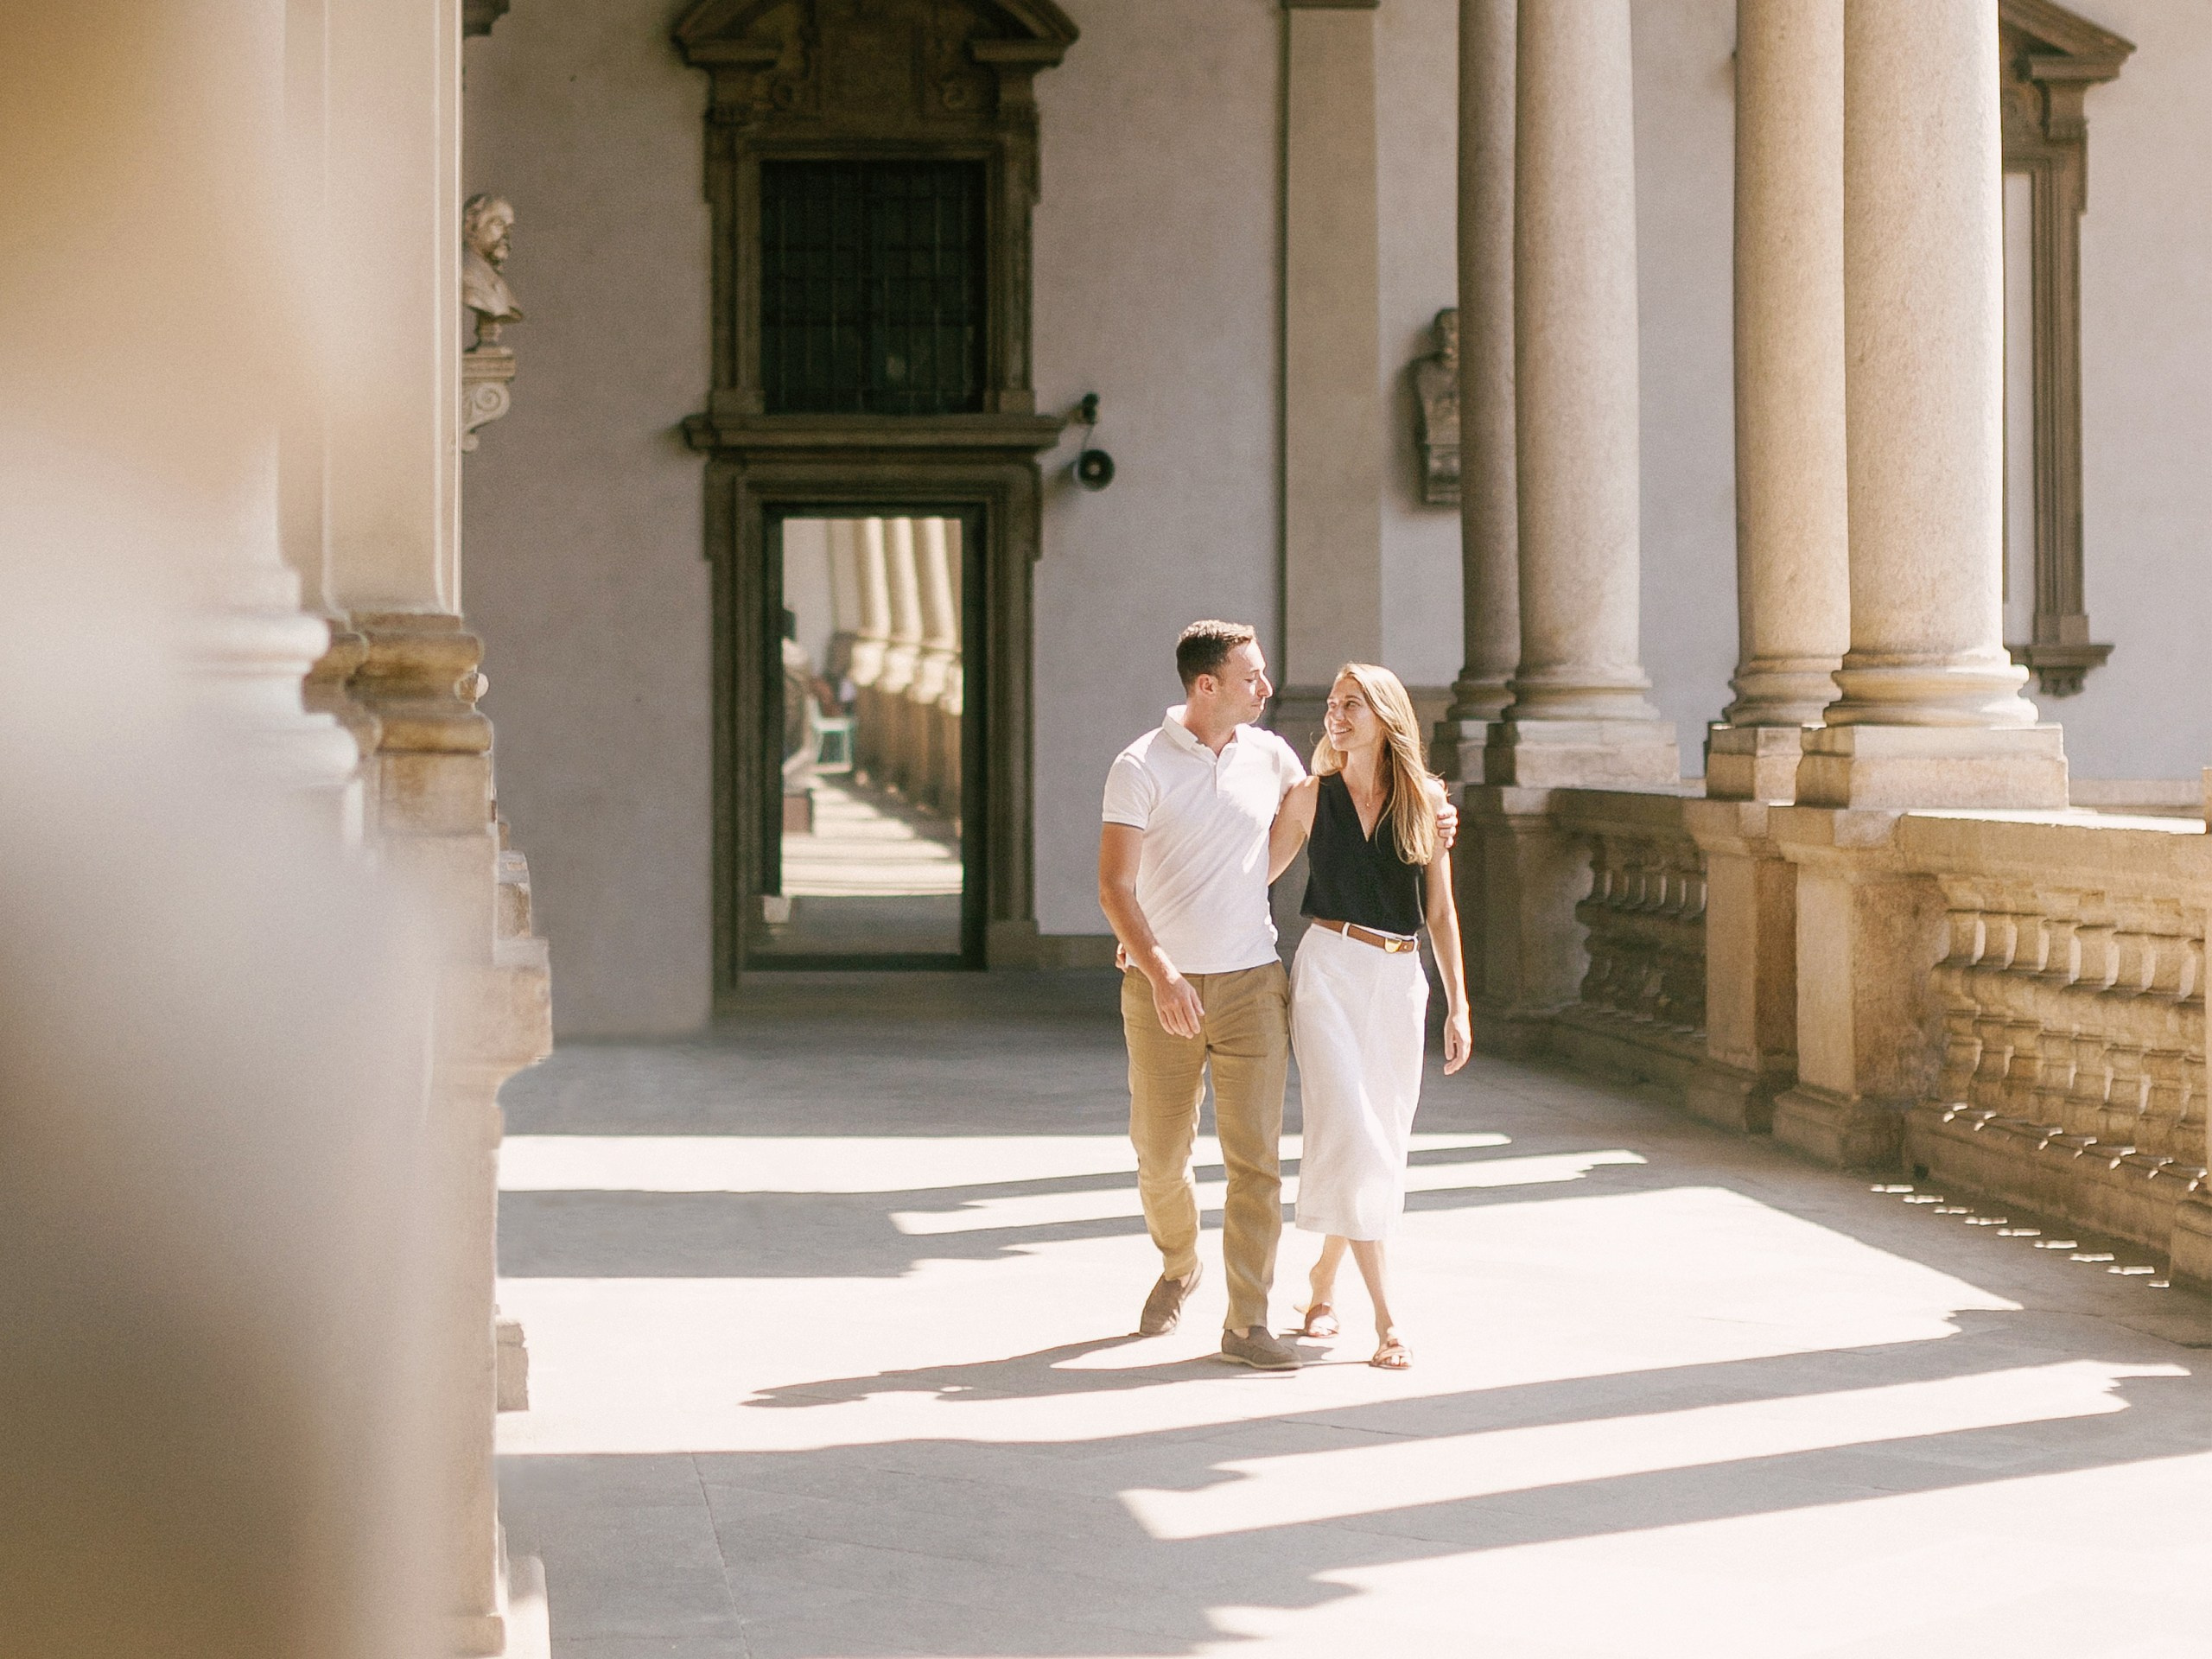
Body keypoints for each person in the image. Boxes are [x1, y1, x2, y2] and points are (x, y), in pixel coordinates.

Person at [1098, 624, 1457, 1370]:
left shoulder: (1272, 758)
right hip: (1170, 985)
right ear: (1208, 685)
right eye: (1252, 676)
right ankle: (1180, 1264)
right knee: (1160, 1156)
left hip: (1255, 981)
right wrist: (1155, 958)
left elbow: (1268, 861)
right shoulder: (1139, 766)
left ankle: (1248, 1322)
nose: (1268, 687)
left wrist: (1438, 811)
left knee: (1257, 1162)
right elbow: (1118, 885)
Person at [1266, 663, 1471, 1371]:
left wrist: (1458, 1003)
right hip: (1328, 969)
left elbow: (1440, 913)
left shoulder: (1425, 800)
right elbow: (1248, 876)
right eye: (1333, 703)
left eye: (1353, 704)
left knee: (1378, 1138)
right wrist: (1157, 930)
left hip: (1399, 978)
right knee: (1355, 1135)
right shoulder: (1309, 795)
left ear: (1386, 716)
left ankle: (1323, 1283)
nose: (1337, 714)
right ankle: (1389, 1321)